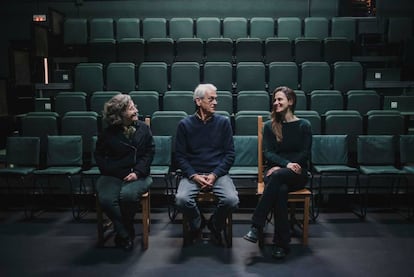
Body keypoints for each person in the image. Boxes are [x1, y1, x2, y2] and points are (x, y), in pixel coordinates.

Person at [243, 86, 312, 259]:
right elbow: (268, 153)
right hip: (277, 171)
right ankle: (281, 244)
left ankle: (256, 225)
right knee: (279, 189)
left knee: (277, 176)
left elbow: (305, 153)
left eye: (280, 99)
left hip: (297, 173)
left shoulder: (304, 125)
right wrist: (285, 164)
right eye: (274, 100)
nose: (276, 103)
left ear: (291, 101)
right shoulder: (269, 126)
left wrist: (288, 166)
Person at [175, 83, 239, 245]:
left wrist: (214, 174)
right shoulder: (185, 125)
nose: (215, 103)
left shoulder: (223, 123)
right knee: (181, 199)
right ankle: (198, 223)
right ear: (198, 101)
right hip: (193, 174)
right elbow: (180, 157)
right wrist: (194, 176)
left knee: (232, 200)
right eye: (211, 99)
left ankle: (214, 225)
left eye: (216, 99)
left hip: (217, 174)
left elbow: (230, 154)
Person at [95, 94, 155, 251]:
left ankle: (123, 230)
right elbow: (100, 156)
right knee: (107, 199)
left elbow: (149, 153)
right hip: (113, 174)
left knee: (127, 196)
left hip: (139, 174)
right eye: (131, 108)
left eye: (135, 106)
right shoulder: (107, 133)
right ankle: (125, 231)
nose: (136, 110)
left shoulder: (144, 128)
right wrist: (116, 172)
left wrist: (137, 172)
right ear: (119, 114)